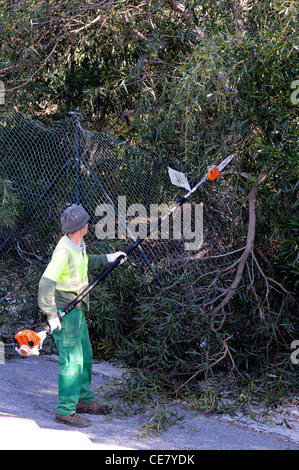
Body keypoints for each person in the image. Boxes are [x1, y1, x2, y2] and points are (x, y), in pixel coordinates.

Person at [38, 204, 127, 428]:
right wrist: (51, 316)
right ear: (81, 227)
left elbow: (85, 263)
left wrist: (110, 257)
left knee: (85, 355)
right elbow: (45, 284)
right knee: (72, 361)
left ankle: (83, 401)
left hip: (77, 310)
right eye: (87, 222)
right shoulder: (63, 251)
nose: (89, 224)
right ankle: (65, 411)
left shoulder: (77, 245)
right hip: (64, 313)